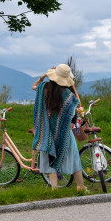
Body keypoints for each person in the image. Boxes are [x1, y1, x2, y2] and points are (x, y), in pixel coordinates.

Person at [31, 63, 86, 191]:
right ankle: (80, 186)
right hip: (64, 133)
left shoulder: (44, 88)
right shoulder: (68, 95)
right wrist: (72, 86)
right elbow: (78, 104)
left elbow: (33, 86)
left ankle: (54, 188)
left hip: (47, 131)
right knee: (73, 159)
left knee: (51, 157)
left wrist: (44, 75)